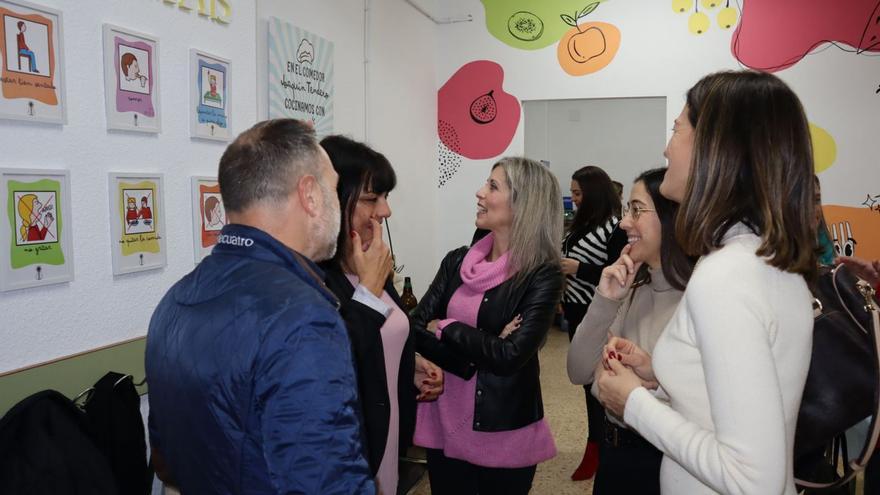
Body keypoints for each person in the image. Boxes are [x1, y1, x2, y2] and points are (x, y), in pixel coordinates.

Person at [597, 70, 817, 494]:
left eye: (677, 129)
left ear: (716, 147)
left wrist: (635, 403)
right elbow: (728, 411)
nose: (666, 147)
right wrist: (661, 378)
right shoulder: (761, 259)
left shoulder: (725, 275)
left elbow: (754, 479)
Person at [145, 119, 375, 494]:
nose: (337, 201)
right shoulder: (302, 320)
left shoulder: (173, 303)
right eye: (334, 188)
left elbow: (166, 463)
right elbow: (327, 484)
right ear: (311, 195)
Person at [411, 157, 564, 495]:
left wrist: (447, 326)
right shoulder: (456, 261)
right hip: (443, 418)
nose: (479, 193)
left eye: (493, 186)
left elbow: (510, 356)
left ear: (524, 202)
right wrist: (483, 349)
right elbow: (416, 328)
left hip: (503, 430)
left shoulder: (541, 274)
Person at [318, 135, 444, 495]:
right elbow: (332, 359)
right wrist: (368, 290)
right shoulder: (314, 276)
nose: (385, 211)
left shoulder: (370, 262)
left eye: (385, 198)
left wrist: (409, 364)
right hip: (350, 448)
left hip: (387, 438)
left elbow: (382, 333)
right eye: (372, 199)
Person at [567, 168, 695, 494]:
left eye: (636, 210)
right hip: (615, 453)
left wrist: (638, 387)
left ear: (671, 218)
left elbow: (701, 408)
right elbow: (579, 370)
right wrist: (605, 299)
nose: (625, 223)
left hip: (665, 462)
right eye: (627, 210)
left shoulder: (700, 299)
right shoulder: (635, 287)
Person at [561, 165, 626, 480]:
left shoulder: (615, 228)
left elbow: (619, 273)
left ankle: (599, 446)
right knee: (586, 382)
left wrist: (578, 269)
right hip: (575, 311)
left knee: (598, 383)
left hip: (598, 312)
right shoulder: (580, 225)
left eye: (577, 193)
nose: (573, 199)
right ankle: (596, 443)